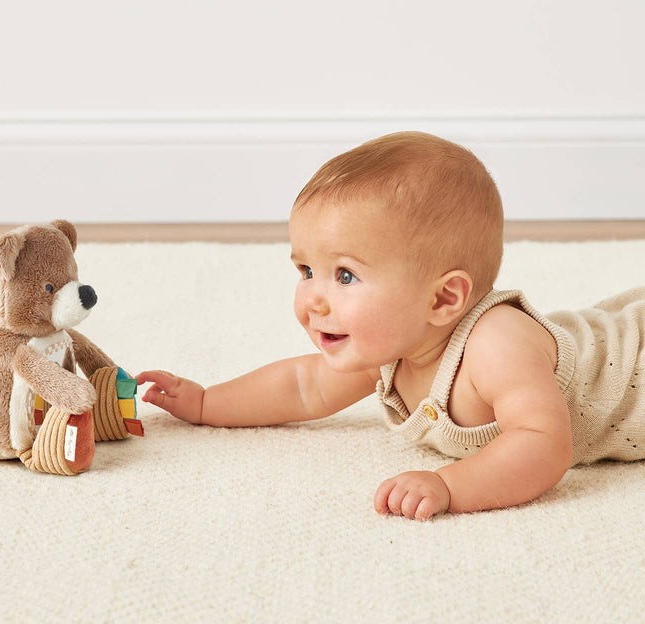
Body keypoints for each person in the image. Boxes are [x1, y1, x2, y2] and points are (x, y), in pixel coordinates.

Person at [136, 131, 645, 521]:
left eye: (346, 275)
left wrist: (451, 486)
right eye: (306, 271)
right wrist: (207, 403)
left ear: (444, 298)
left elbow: (544, 443)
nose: (313, 297)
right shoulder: (390, 347)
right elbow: (302, 386)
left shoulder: (496, 346)